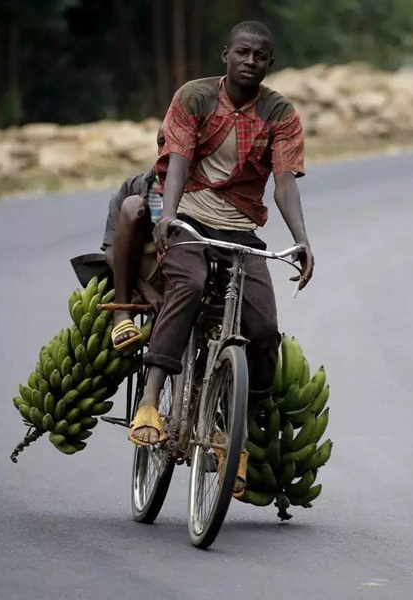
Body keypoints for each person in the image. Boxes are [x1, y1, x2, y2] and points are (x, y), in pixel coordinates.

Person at [128, 21, 315, 495]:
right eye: (243, 53)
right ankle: (150, 400)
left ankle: (236, 436)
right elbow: (177, 160)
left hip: (239, 228)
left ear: (270, 63)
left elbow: (286, 183)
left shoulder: (281, 113)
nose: (251, 61)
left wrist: (302, 241)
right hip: (189, 214)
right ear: (225, 55)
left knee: (264, 329)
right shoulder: (193, 97)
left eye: (261, 56)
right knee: (187, 286)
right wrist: (168, 216)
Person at [102, 131, 167, 350]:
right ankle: (122, 313)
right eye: (162, 143)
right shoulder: (133, 187)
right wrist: (146, 289)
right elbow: (111, 250)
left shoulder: (201, 189)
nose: (169, 150)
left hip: (183, 269)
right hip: (139, 272)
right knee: (132, 206)